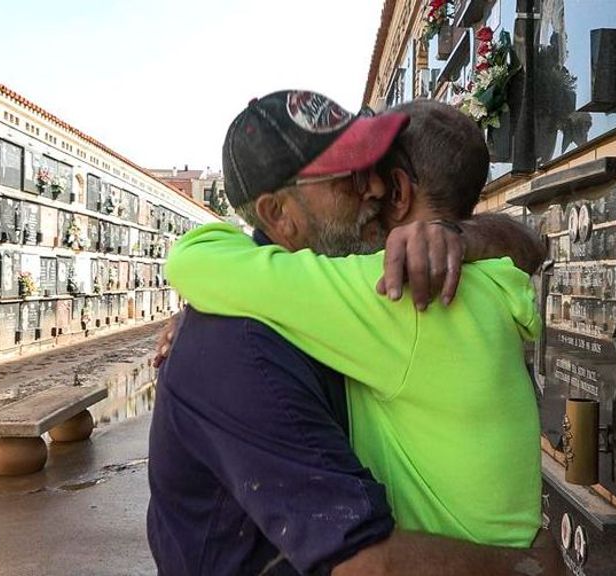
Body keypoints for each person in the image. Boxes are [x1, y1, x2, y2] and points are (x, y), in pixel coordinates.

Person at [153, 92, 555, 575]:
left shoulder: (374, 295)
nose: (375, 190)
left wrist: (462, 233)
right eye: (350, 173)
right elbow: (365, 565)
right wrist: (529, 567)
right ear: (279, 214)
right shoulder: (240, 344)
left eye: (374, 167)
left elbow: (195, 259)